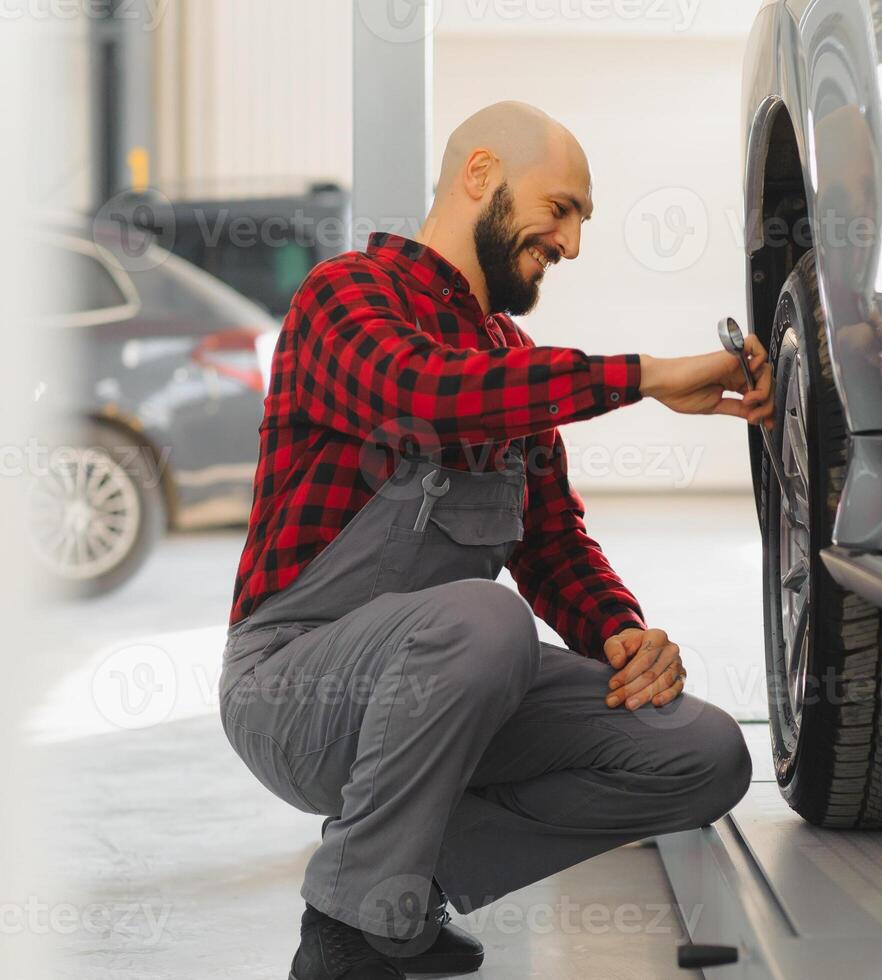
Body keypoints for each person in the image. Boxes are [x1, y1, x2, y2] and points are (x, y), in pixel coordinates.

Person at [219, 102, 772, 980]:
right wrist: (646, 376)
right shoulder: (343, 296)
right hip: (296, 688)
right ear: (480, 176)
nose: (571, 244)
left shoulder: (511, 356)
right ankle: (340, 932)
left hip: (454, 684)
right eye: (562, 209)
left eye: (581, 222)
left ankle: (400, 888)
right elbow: (425, 396)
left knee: (699, 753)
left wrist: (620, 632)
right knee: (485, 618)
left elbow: (553, 545)